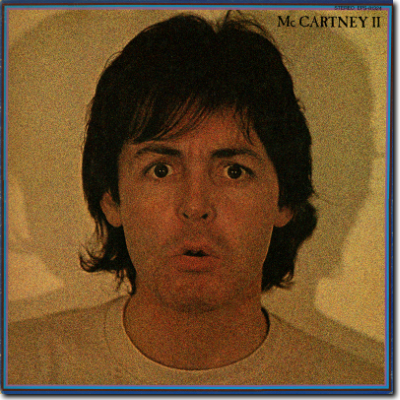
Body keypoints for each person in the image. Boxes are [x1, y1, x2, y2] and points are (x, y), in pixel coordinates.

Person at [7, 12, 384, 386]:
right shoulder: (16, 369)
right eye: (161, 170)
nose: (195, 206)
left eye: (233, 171)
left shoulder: (362, 384)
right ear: (112, 199)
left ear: (284, 200)